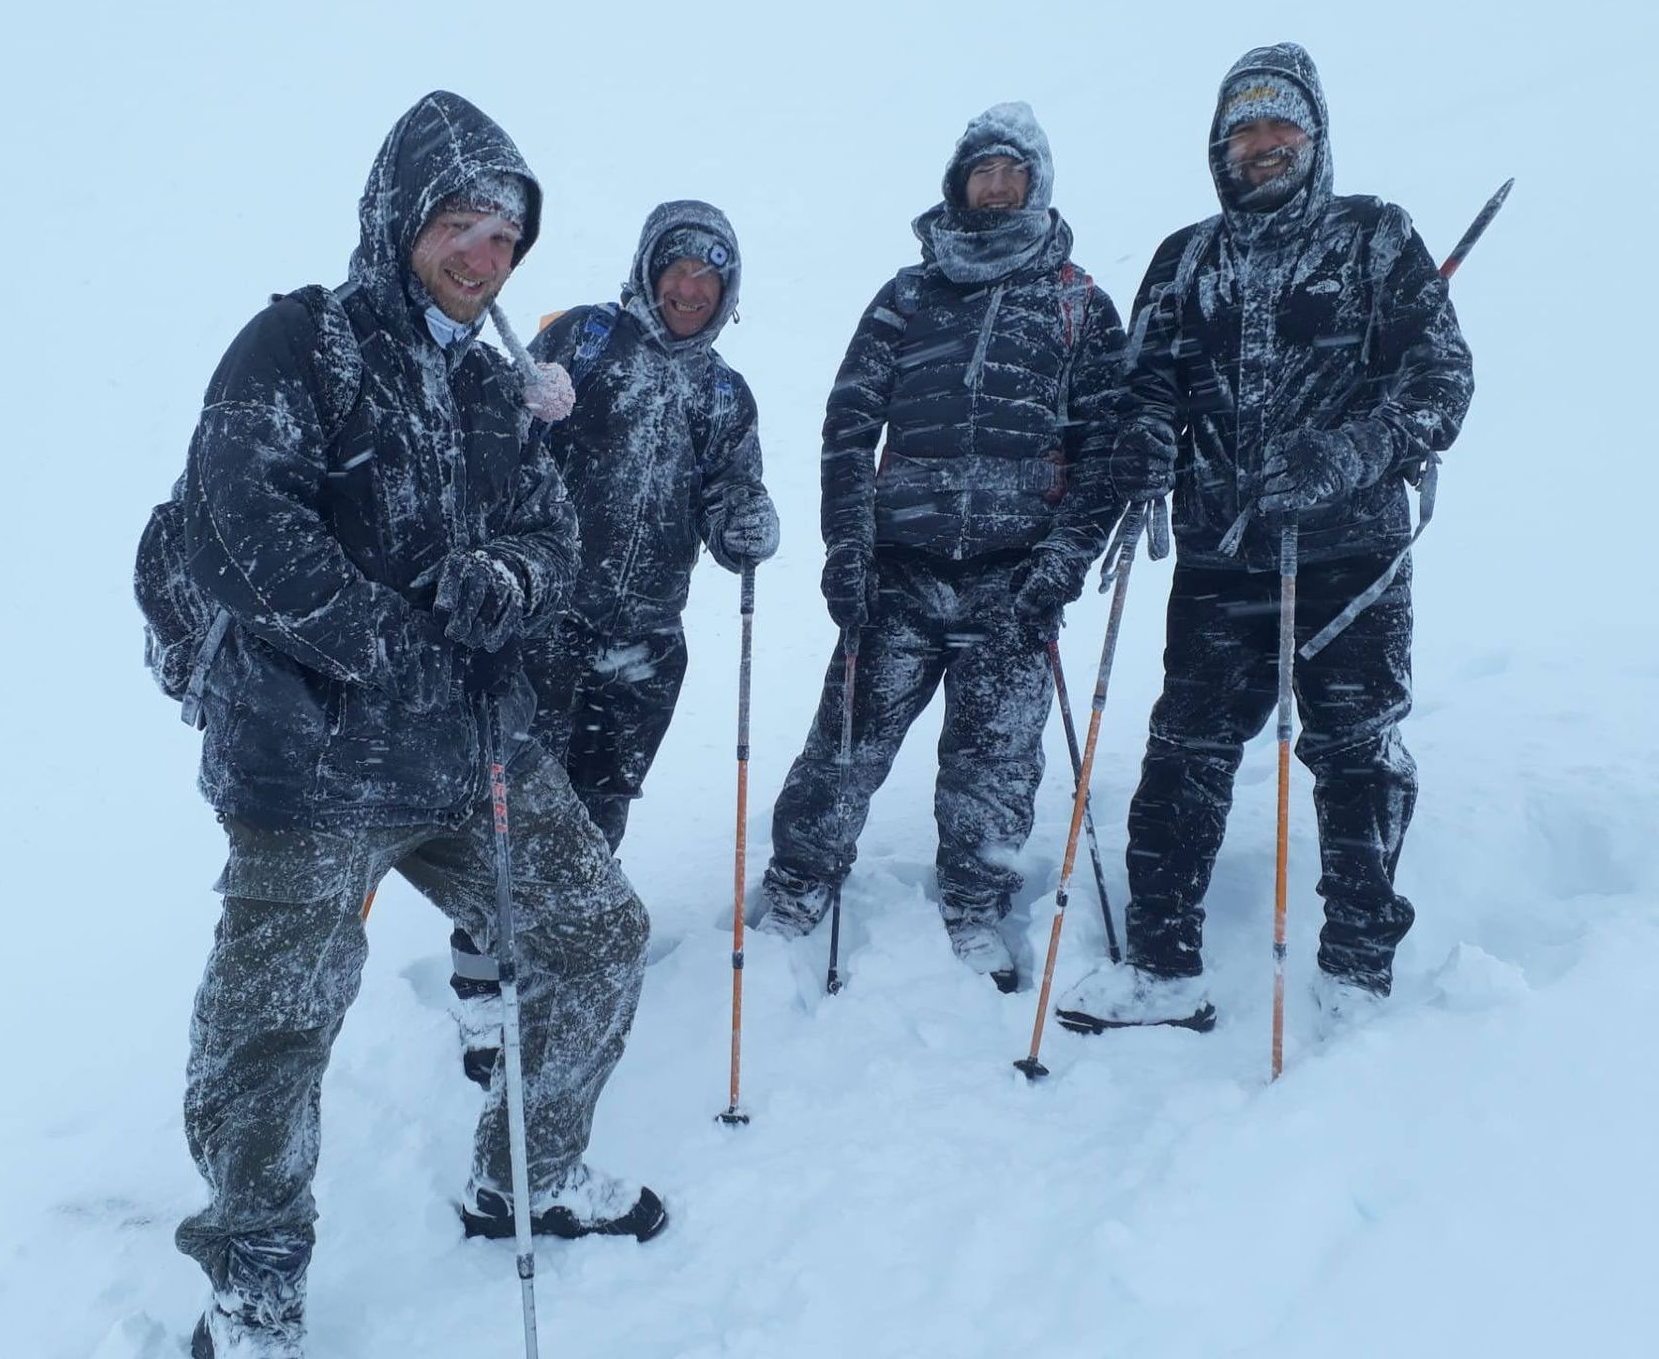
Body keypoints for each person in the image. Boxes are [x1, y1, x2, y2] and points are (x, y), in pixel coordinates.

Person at [164, 91, 664, 1359]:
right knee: (275, 1021)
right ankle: (257, 1279)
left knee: (597, 933)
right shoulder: (300, 346)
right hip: (311, 759)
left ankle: (526, 1174)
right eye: (459, 224)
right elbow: (237, 521)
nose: (484, 256)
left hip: (462, 755)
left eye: (506, 238)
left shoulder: (498, 390)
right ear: (399, 221)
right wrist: (384, 645)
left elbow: (554, 535)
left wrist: (513, 582)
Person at [1054, 44, 1474, 1036]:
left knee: (1358, 757)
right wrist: (1144, 442)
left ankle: (1358, 970)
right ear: (1220, 144)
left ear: (1314, 133)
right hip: (1217, 558)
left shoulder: (1377, 238)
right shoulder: (1184, 258)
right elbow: (1140, 389)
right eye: (1245, 129)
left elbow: (1442, 385)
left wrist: (1347, 453)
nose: (1264, 143)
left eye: (1281, 124)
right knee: (1184, 755)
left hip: (1352, 557)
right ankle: (1163, 968)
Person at [755, 102, 1126, 989]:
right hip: (900, 572)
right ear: (957, 184)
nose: (996, 187)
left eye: (1013, 172)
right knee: (844, 743)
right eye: (981, 172)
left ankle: (977, 900)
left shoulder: (1078, 303)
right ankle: (799, 881)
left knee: (995, 758)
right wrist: (847, 548)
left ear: (1038, 184)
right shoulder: (908, 294)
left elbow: (1109, 447)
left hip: (1015, 578)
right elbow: (849, 426)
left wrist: (1063, 561)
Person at [445, 202, 777, 1079]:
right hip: (548, 626)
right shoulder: (587, 340)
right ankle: (483, 985)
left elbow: (728, 494)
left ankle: (562, 956)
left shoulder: (723, 395)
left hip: (645, 643)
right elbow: (503, 438)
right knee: (512, 807)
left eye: (709, 278)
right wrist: (524, 406)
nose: (690, 290)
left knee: (599, 810)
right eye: (677, 271)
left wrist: (744, 519)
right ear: (649, 270)